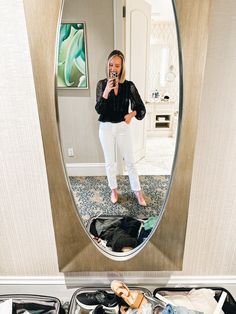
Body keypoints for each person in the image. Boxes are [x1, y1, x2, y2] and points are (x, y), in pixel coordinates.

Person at [95, 50, 146, 206]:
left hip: (123, 128)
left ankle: (137, 191)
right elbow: (98, 109)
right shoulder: (102, 84)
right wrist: (106, 91)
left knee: (130, 161)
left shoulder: (128, 86)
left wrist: (131, 115)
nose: (113, 68)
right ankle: (114, 190)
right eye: (111, 64)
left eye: (117, 65)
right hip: (106, 128)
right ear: (108, 66)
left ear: (122, 67)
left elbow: (141, 108)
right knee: (110, 162)